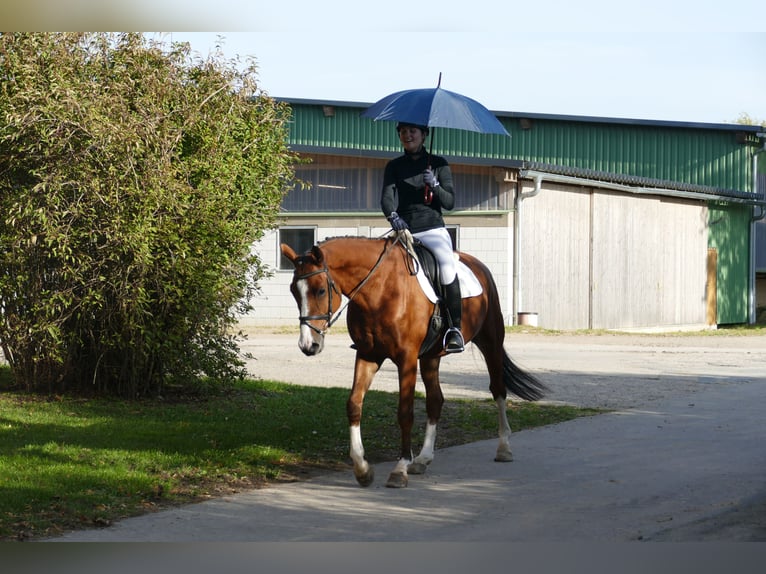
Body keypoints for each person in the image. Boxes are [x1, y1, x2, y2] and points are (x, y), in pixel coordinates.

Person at [380, 121, 464, 353]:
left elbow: (449, 203)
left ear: (424, 135)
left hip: (432, 228)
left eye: (412, 132)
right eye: (403, 132)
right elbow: (387, 198)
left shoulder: (438, 164)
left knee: (447, 266)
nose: (408, 135)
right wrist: (393, 216)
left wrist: (434, 184)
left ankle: (454, 329)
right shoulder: (394, 166)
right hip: (404, 230)